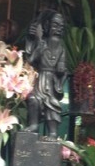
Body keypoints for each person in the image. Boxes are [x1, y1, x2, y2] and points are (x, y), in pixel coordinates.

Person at [25, 10, 67, 139]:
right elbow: (30, 61)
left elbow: (62, 67)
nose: (58, 29)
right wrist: (37, 49)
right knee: (33, 99)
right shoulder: (41, 44)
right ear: (47, 26)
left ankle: (53, 133)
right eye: (55, 25)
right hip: (40, 79)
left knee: (52, 105)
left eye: (61, 27)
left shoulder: (61, 49)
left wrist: (61, 70)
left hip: (51, 82)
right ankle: (34, 125)